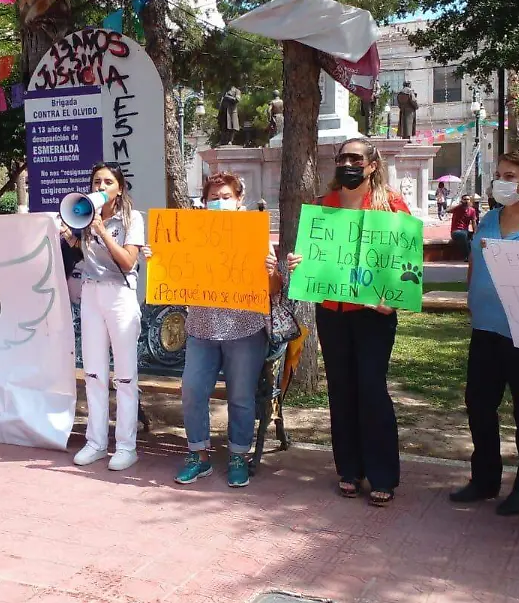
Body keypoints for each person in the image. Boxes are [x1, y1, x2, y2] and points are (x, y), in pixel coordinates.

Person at [286, 137, 410, 506]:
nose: (348, 164)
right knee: (340, 389)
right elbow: (312, 257)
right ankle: (349, 470)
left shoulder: (391, 205)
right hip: (332, 312)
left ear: (372, 164)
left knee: (371, 389)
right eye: (343, 159)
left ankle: (383, 473)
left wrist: (395, 300)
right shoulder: (324, 207)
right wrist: (298, 263)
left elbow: (406, 261)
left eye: (356, 158)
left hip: (373, 315)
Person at [449, 151, 519, 515]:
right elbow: (475, 261)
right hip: (486, 327)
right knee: (479, 404)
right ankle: (484, 479)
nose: (501, 181)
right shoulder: (490, 218)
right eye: (499, 174)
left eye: (510, 175)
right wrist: (471, 296)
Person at [173, 172, 282, 488]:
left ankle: (238, 455)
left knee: (241, 397)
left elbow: (274, 289)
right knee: (192, 389)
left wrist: (271, 272)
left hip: (244, 329)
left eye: (225, 198)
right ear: (204, 203)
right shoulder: (193, 234)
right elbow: (178, 276)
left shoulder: (255, 235)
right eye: (213, 198)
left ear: (238, 201)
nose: (219, 203)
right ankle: (198, 455)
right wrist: (161, 261)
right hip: (202, 328)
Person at [59, 162, 145, 471]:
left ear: (119, 188)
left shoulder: (132, 219)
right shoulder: (85, 215)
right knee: (94, 373)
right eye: (97, 181)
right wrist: (73, 237)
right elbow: (87, 259)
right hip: (91, 293)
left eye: (108, 182)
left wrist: (102, 234)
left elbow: (127, 262)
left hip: (120, 296)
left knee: (124, 376)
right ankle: (95, 441)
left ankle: (125, 446)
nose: (101, 186)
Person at [450, 194, 479, 261]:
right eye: (464, 199)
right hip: (456, 231)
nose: (466, 201)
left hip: (465, 231)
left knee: (475, 236)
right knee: (463, 235)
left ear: (470, 200)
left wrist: (476, 233)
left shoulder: (472, 210)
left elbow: (474, 223)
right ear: (461, 200)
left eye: (468, 199)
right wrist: (460, 205)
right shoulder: (457, 208)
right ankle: (468, 256)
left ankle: (475, 256)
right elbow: (448, 210)